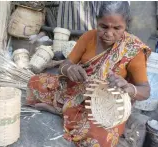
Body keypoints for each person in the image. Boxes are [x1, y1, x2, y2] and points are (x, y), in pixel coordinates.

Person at [26, 2, 151, 147]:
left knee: (100, 138)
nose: (109, 33)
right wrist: (69, 69)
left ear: (126, 25)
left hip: (105, 104)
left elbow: (145, 90)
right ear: (97, 21)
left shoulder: (132, 49)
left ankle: (62, 110)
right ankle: (66, 110)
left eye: (117, 28)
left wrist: (129, 88)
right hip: (77, 89)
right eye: (103, 26)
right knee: (35, 82)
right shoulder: (88, 37)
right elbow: (65, 64)